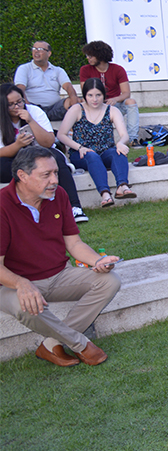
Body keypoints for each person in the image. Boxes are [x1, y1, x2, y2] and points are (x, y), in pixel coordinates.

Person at [0, 146, 121, 367]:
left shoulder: (59, 195)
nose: (55, 180)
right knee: (22, 305)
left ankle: (51, 344)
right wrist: (21, 283)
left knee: (109, 281)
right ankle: (81, 345)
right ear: (22, 176)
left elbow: (73, 242)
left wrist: (98, 261)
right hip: (12, 284)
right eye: (46, 175)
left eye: (56, 172)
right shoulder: (2, 205)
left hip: (58, 275)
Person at [1, 84, 87, 223]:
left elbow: (48, 141)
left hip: (40, 151)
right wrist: (18, 145)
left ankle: (75, 208)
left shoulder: (34, 111)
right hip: (14, 156)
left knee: (56, 159)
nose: (17, 107)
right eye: (11, 104)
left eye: (19, 101)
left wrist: (30, 120)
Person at [56, 79, 135, 208]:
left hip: (105, 151)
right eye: (90, 95)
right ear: (85, 95)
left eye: (98, 95)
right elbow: (61, 134)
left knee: (118, 152)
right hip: (81, 153)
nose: (95, 99)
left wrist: (121, 143)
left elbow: (124, 135)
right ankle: (105, 194)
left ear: (103, 95)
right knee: (92, 156)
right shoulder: (77, 109)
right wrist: (79, 147)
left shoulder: (112, 110)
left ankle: (123, 186)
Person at [79, 40, 141, 147]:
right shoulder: (85, 70)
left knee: (131, 102)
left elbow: (126, 93)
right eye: (87, 55)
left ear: (100, 55)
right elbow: (86, 92)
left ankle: (132, 139)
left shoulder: (118, 69)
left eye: (90, 55)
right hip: (94, 105)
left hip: (114, 105)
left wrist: (115, 99)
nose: (87, 58)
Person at [14, 41, 80, 121]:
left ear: (49, 53)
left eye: (40, 49)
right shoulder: (24, 68)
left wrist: (74, 104)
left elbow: (69, 87)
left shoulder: (58, 70)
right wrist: (28, 107)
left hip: (55, 108)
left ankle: (75, 127)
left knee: (77, 100)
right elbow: (20, 89)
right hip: (34, 108)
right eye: (34, 48)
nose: (36, 51)